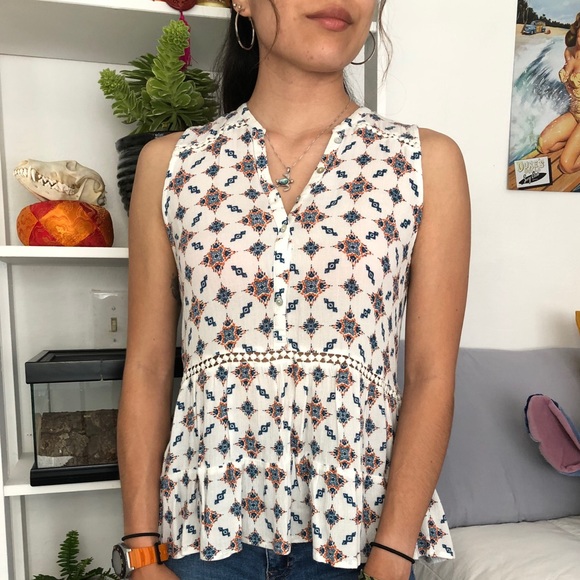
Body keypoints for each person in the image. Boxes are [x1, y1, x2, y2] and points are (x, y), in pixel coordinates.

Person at [115, 1, 470, 579]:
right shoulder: (171, 164)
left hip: (358, 538)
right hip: (204, 535)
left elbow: (432, 375)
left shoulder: (424, 162)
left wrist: (393, 554)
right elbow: (149, 366)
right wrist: (141, 552)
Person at [538, 13, 580, 173]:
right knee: (544, 145)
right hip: (574, 113)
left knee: (566, 165)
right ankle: (574, 143)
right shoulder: (569, 52)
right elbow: (567, 74)